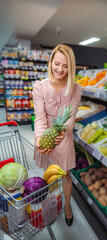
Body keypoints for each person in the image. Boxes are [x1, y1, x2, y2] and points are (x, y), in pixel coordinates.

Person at [32, 44, 81, 226]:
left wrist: (61, 133)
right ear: (51, 61)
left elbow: (71, 119)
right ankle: (49, 205)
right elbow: (40, 118)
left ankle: (67, 205)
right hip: (45, 135)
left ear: (71, 67)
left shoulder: (75, 88)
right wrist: (40, 138)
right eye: (57, 63)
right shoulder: (40, 87)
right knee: (48, 175)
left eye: (66, 66)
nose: (60, 69)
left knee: (65, 175)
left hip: (64, 137)